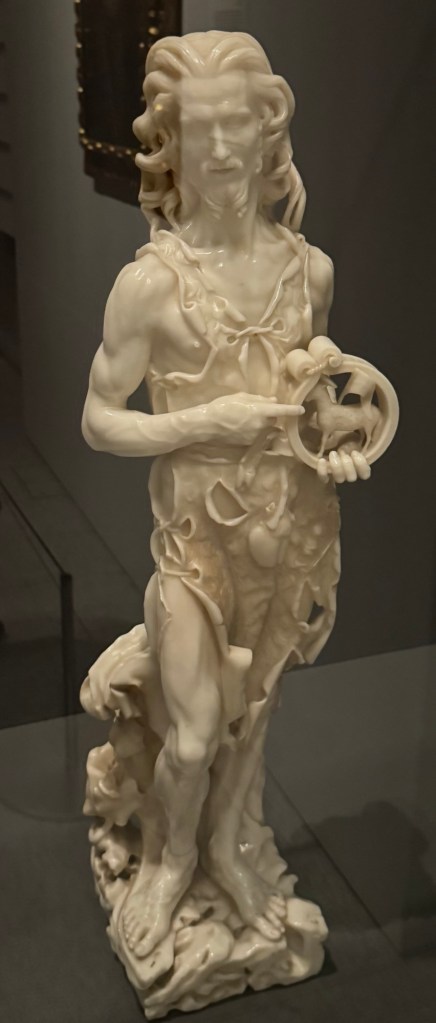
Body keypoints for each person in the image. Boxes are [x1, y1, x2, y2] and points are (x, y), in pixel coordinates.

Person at [82, 31, 371, 961]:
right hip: (194, 548)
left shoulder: (307, 272)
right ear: (171, 142)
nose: (217, 150)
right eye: (198, 129)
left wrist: (339, 448)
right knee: (197, 732)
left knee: (256, 718)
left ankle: (226, 850)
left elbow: (317, 407)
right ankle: (169, 862)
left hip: (288, 533)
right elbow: (99, 420)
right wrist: (206, 422)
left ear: (266, 128)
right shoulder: (151, 286)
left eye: (235, 125)